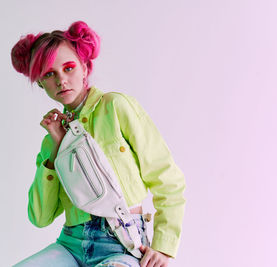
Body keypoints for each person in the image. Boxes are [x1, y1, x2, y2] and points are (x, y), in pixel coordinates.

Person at [10, 21, 186, 267]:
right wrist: (55, 148)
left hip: (123, 243)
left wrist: (164, 247)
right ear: (40, 83)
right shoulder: (50, 139)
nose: (61, 80)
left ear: (84, 67)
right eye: (49, 74)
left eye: (68, 68)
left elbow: (167, 178)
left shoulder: (115, 107)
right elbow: (40, 217)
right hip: (70, 244)